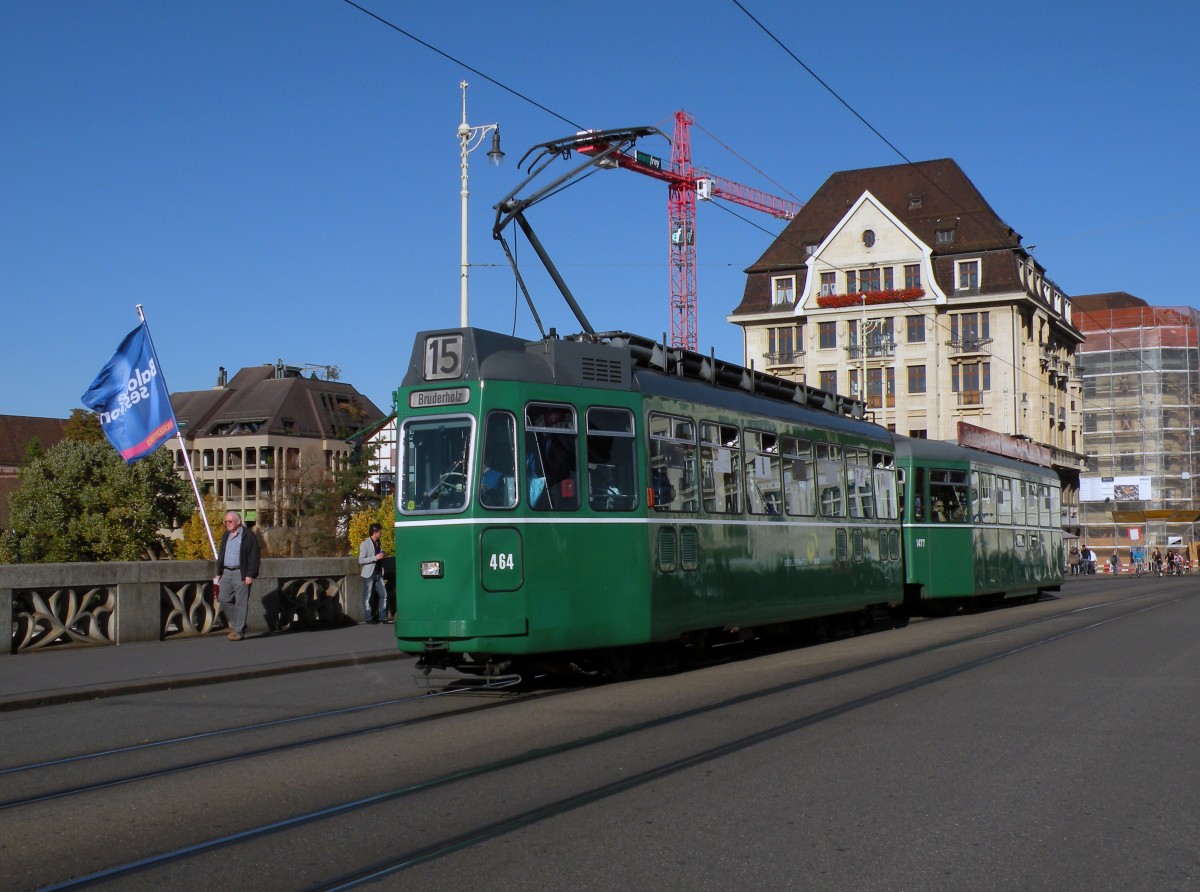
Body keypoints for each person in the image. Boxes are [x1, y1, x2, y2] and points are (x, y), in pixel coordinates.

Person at [214, 510, 261, 641]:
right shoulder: (226, 535)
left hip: (241, 573)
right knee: (222, 598)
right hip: (226, 572)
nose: (227, 524)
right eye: (225, 522)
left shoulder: (248, 536)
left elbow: (254, 557)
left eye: (230, 521)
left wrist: (250, 574)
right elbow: (222, 554)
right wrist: (219, 573)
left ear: (238, 522)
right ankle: (239, 625)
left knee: (241, 602)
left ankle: (238, 631)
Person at [358, 522, 387, 623]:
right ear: (374, 532)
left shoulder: (378, 543)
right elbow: (361, 560)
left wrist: (382, 555)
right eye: (379, 532)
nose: (381, 534)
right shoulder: (365, 544)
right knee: (367, 596)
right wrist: (375, 558)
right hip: (369, 574)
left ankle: (382, 617)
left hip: (378, 573)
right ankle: (368, 618)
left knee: (384, 594)